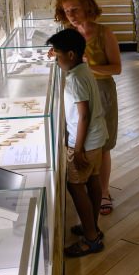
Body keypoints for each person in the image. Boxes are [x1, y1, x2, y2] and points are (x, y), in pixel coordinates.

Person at [54, 0, 121, 216]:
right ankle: (89, 188)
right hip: (76, 95)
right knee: (79, 139)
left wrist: (88, 67)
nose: (71, 15)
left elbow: (117, 68)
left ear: (87, 7)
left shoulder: (104, 33)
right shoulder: (68, 35)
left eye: (75, 9)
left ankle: (103, 192)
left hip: (102, 92)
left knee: (103, 145)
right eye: (66, 11)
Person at [47, 29, 108, 257]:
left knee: (75, 185)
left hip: (84, 142)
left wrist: (78, 148)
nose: (56, 58)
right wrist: (54, 53)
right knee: (93, 180)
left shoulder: (74, 80)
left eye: (58, 54)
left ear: (71, 54)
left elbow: (83, 115)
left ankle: (91, 238)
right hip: (96, 138)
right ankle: (91, 224)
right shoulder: (83, 68)